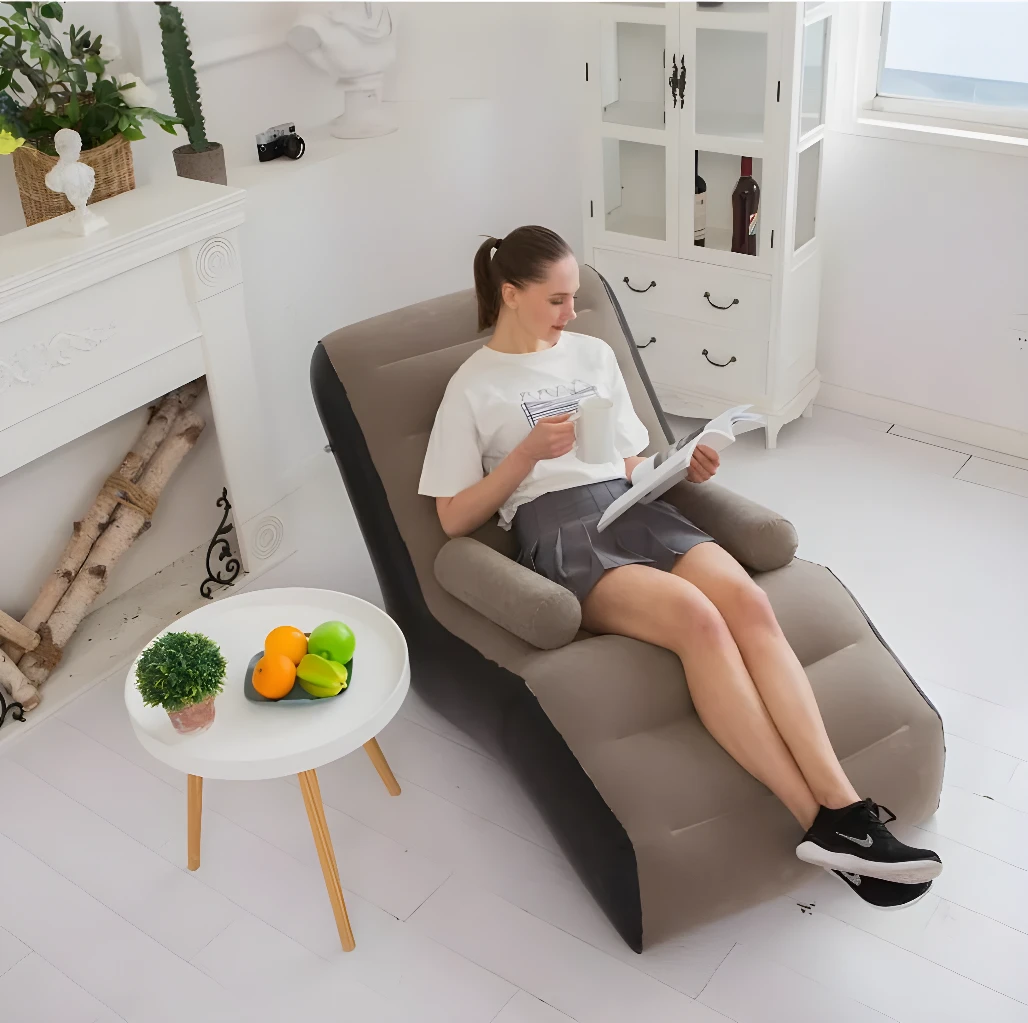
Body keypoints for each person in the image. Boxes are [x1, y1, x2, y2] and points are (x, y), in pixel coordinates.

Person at [418, 225, 942, 909]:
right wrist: (522, 456)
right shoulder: (472, 386)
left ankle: (847, 808)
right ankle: (815, 821)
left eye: (575, 297)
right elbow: (454, 518)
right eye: (555, 300)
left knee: (751, 604)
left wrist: (680, 464)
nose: (571, 314)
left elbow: (632, 457)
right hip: (560, 528)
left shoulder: (593, 353)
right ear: (510, 294)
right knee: (699, 619)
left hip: (636, 504)